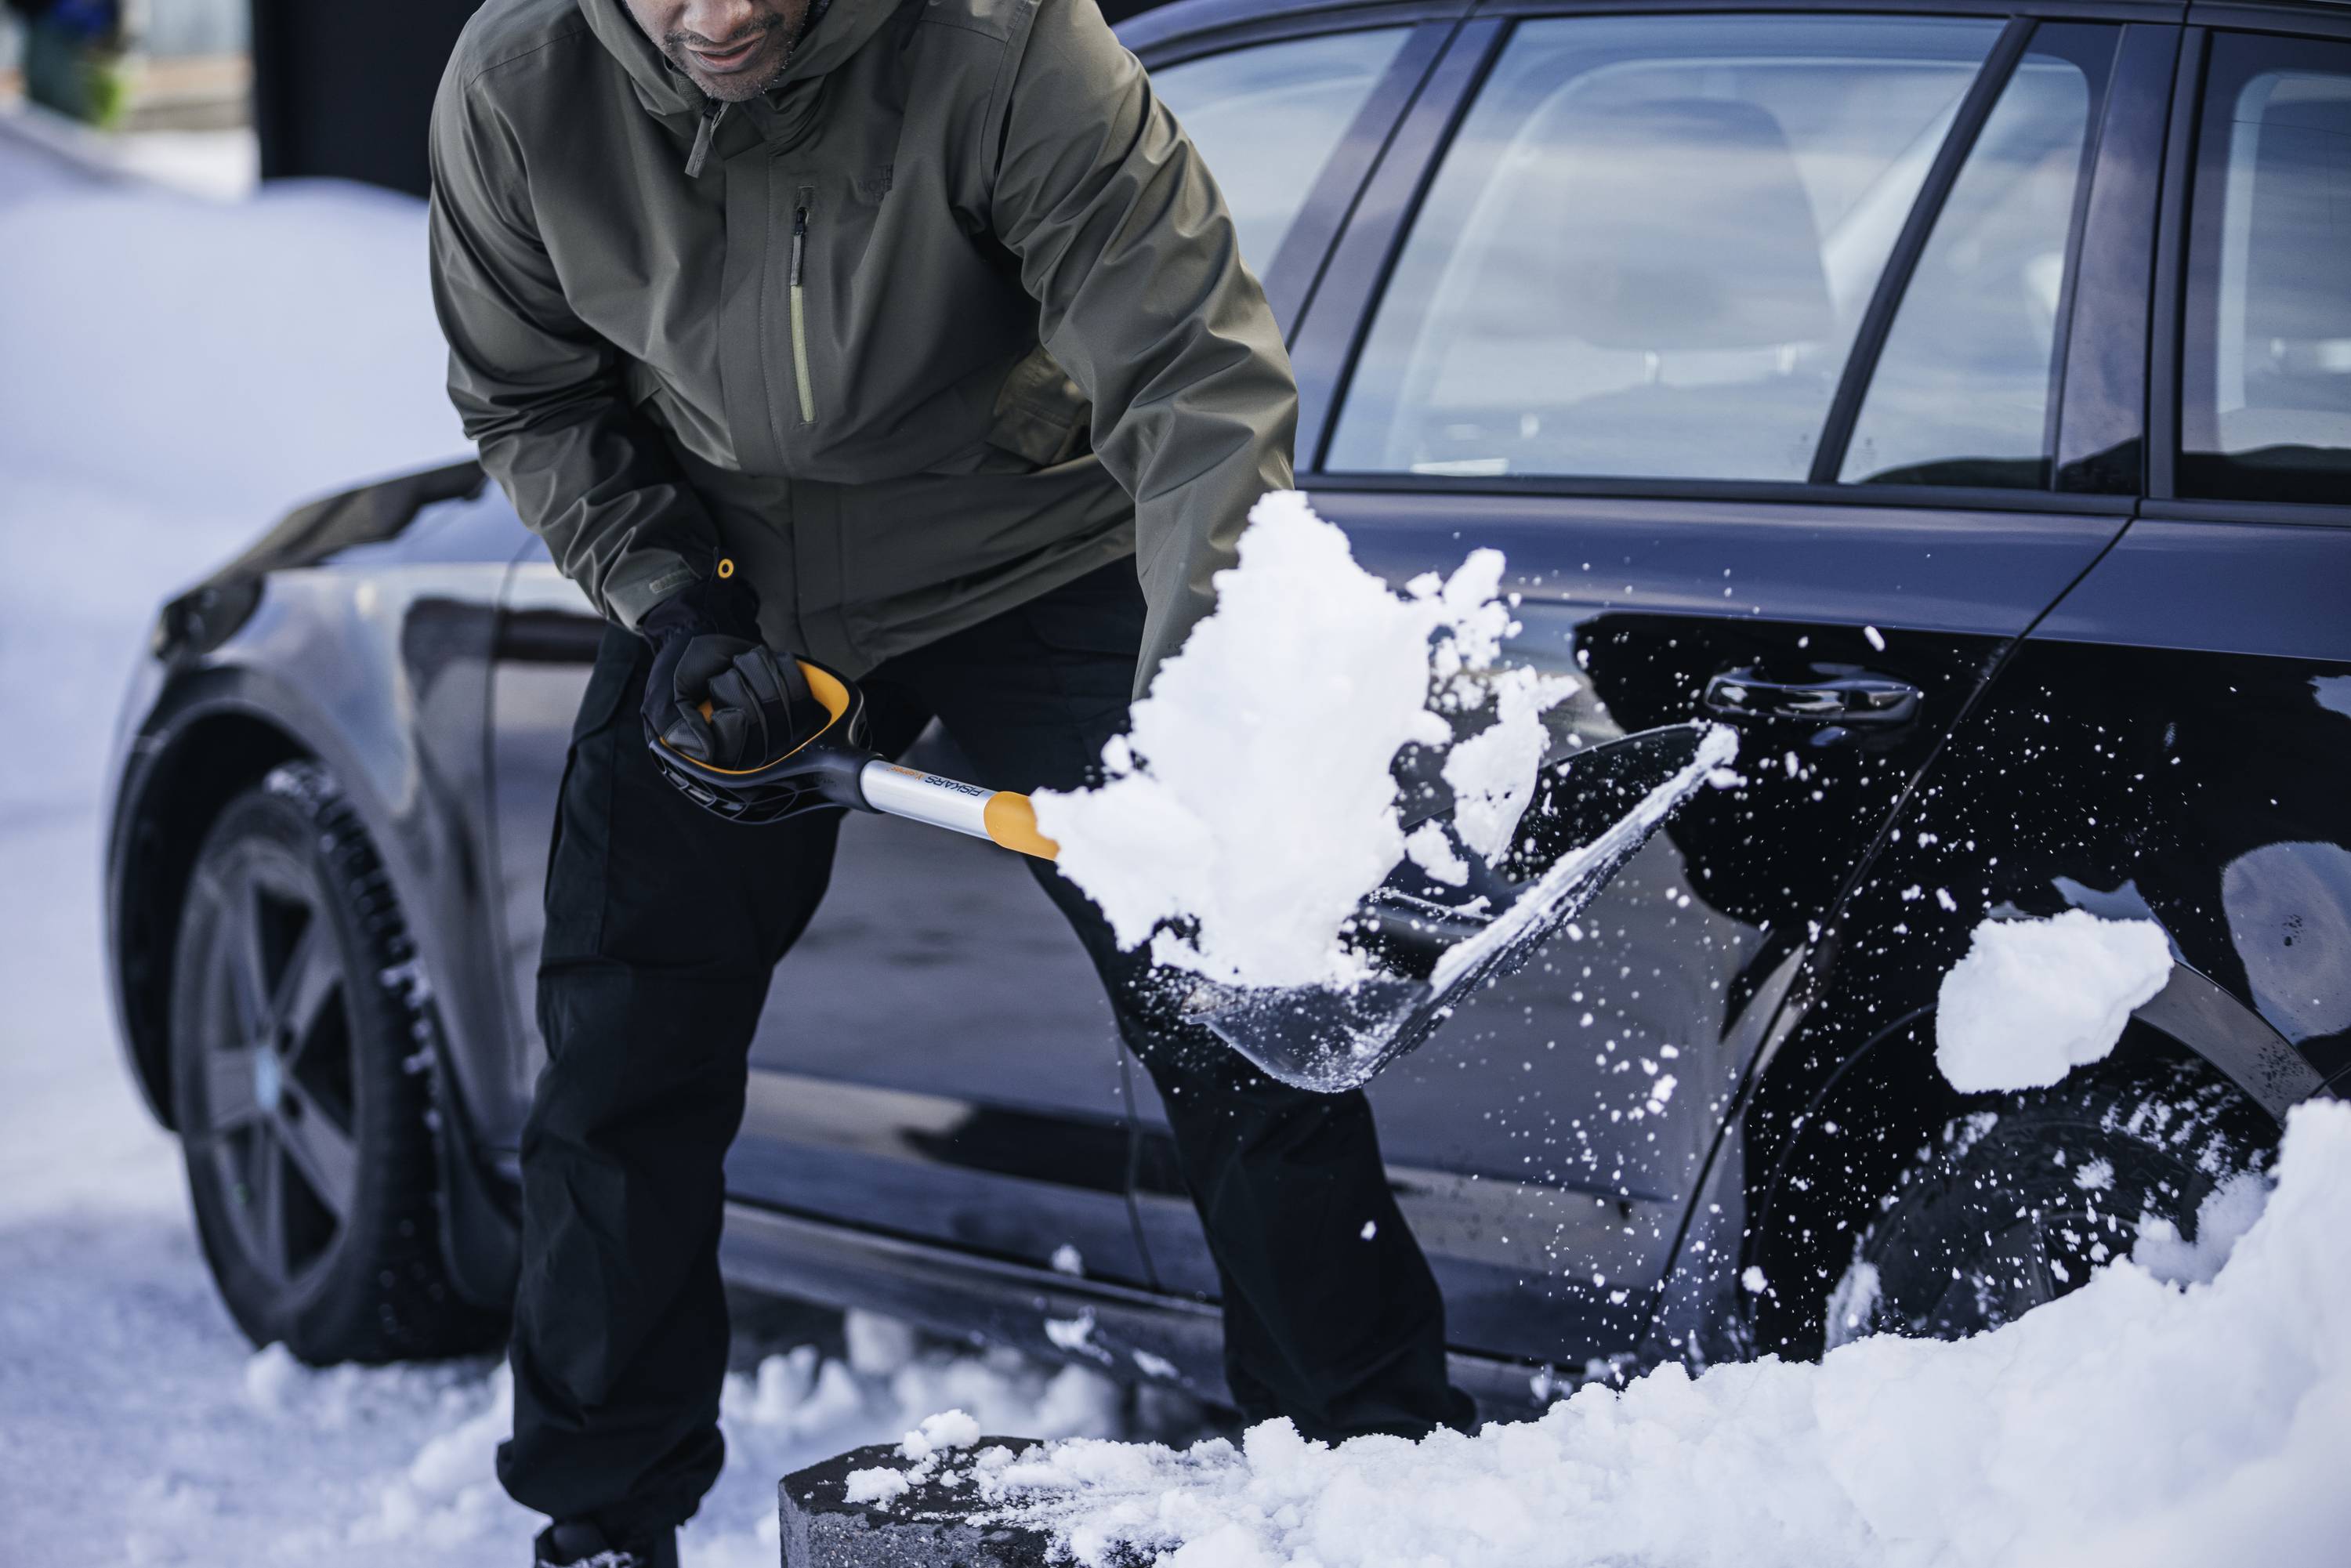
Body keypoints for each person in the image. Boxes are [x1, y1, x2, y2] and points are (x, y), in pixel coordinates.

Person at [429, 2, 1474, 1563]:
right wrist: (680, 599)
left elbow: (1194, 377)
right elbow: (531, 396)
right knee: (622, 1048)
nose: (716, 15)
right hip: (739, 579)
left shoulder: (1003, 45)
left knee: (1239, 1003)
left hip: (1031, 555)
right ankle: (597, 1521)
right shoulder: (520, 89)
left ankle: (1373, 1475)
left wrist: (1210, 712)